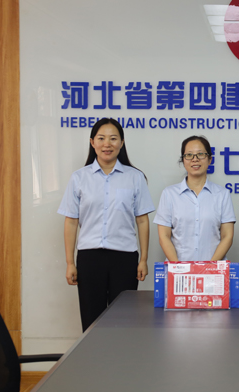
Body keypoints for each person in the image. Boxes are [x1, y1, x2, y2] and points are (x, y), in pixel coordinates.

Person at [58, 118, 155, 331]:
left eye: (113, 138)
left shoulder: (135, 177)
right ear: (92, 142)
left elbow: (142, 220)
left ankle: (121, 354)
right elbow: (71, 222)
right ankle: (93, 354)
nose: (107, 144)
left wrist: (143, 259)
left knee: (125, 321)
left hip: (125, 257)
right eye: (101, 138)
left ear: (122, 142)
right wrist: (70, 262)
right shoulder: (79, 178)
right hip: (90, 257)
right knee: (91, 320)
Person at [154, 136, 235, 261]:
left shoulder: (222, 194)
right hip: (178, 269)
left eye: (200, 154)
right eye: (189, 155)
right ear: (183, 160)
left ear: (210, 159)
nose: (195, 159)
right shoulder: (169, 194)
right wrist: (179, 267)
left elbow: (227, 236)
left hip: (213, 270)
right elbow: (164, 236)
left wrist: (208, 267)